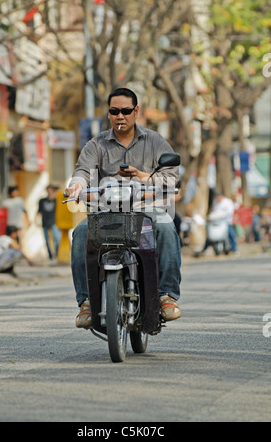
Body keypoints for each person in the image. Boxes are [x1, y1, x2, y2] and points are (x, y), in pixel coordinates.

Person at [65, 87, 182, 329]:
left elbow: (171, 176)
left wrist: (142, 176)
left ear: (136, 111)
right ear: (108, 114)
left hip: (146, 209)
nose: (120, 116)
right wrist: (75, 187)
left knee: (167, 228)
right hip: (105, 212)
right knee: (80, 234)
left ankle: (166, 295)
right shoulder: (95, 145)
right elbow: (83, 172)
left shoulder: (155, 141)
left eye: (126, 111)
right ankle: (85, 302)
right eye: (114, 111)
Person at [37, 184, 61, 260]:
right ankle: (50, 256)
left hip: (54, 222)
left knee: (56, 239)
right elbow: (38, 212)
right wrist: (36, 221)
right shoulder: (42, 201)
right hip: (44, 222)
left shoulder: (56, 200)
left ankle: (57, 255)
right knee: (47, 241)